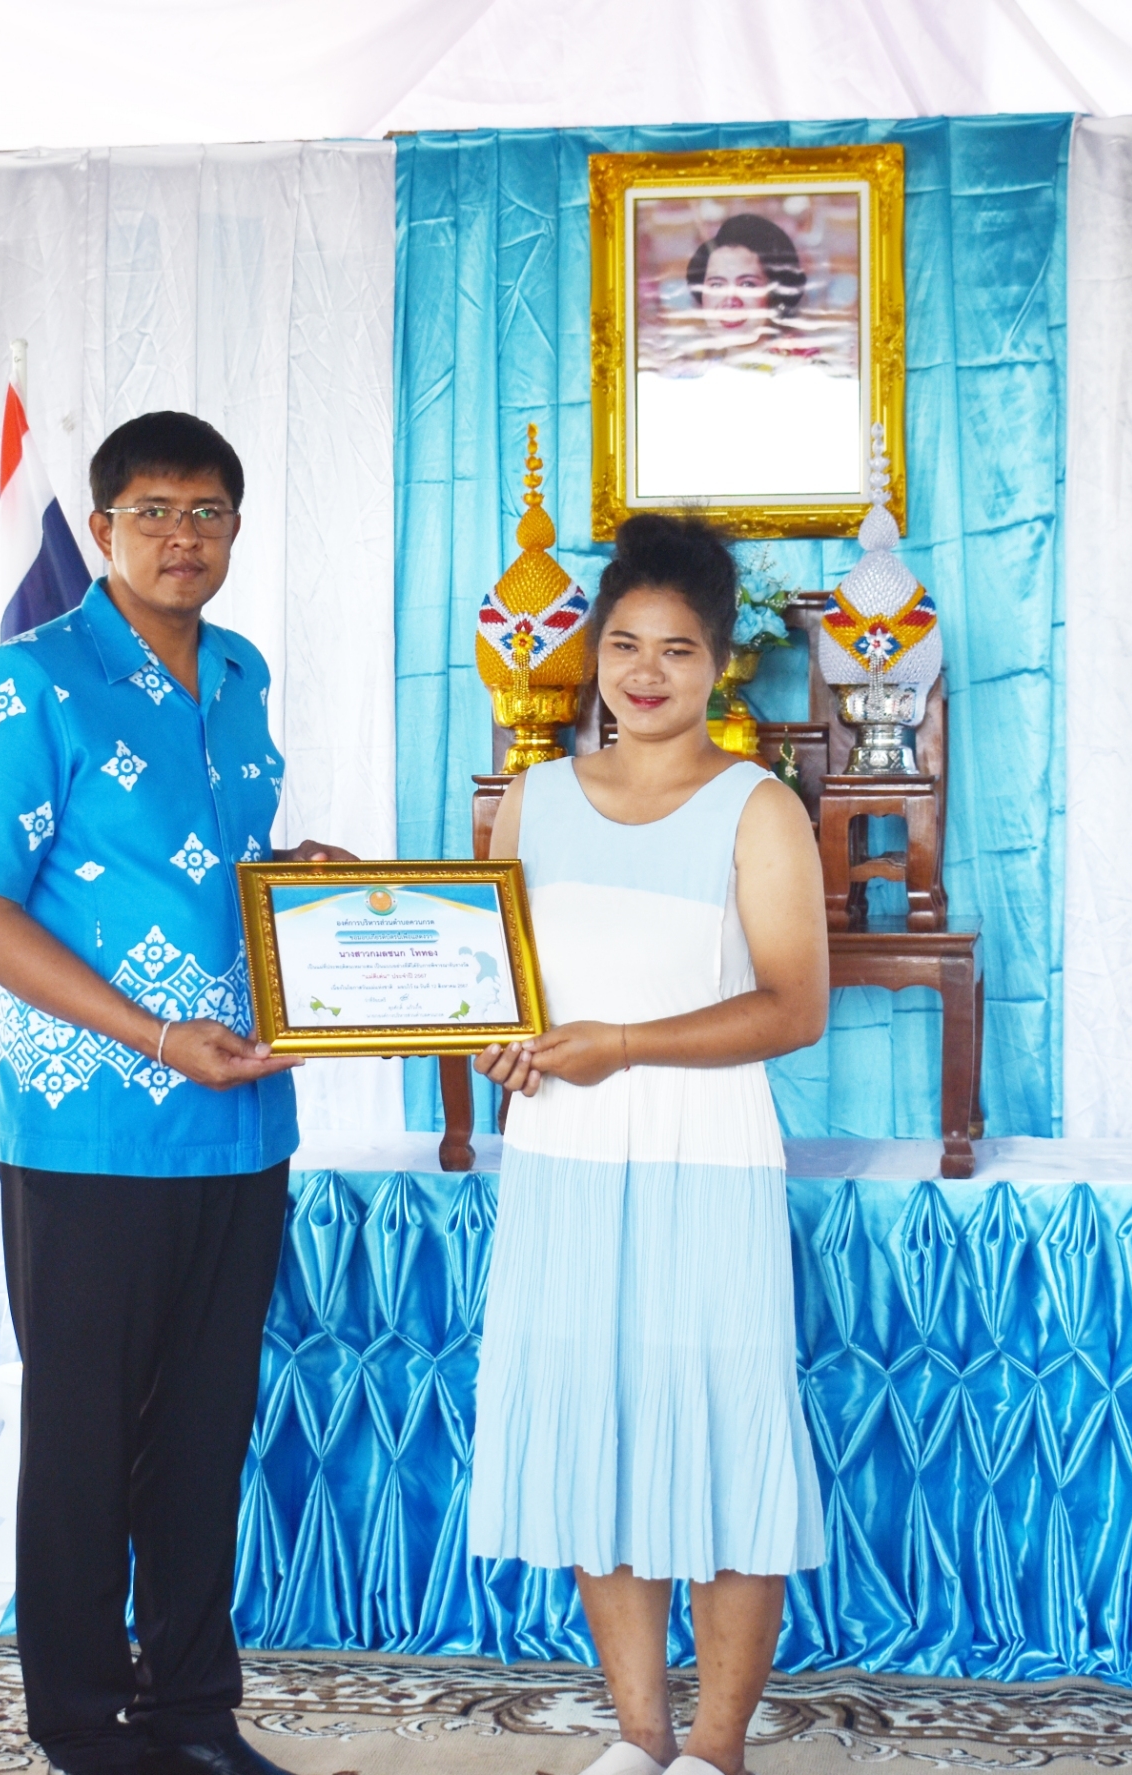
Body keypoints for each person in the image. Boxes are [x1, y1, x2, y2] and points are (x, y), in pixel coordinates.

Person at [0, 411, 351, 1775]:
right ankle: (79, 1724)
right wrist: (157, 1036)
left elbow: (204, 863)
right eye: (156, 510)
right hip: (92, 1129)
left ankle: (190, 1713)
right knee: (83, 1442)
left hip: (242, 1121)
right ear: (104, 525)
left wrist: (300, 876)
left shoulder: (239, 671)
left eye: (209, 510)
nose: (185, 535)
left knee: (201, 1438)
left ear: (235, 527)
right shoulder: (31, 679)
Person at [468, 513, 830, 1775]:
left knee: (724, 1447)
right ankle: (638, 1738)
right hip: (563, 1159)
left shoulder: (757, 807)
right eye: (624, 643)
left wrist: (620, 1042)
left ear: (718, 661)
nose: (645, 672)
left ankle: (715, 1752)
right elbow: (497, 992)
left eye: (677, 649)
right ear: (591, 651)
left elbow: (792, 1007)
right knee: (595, 1439)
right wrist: (497, 1043)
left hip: (704, 1158)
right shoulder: (531, 799)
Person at [684, 212, 806, 347]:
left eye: (747, 284)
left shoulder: (803, 360)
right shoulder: (688, 358)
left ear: (775, 295)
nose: (730, 302)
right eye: (716, 285)